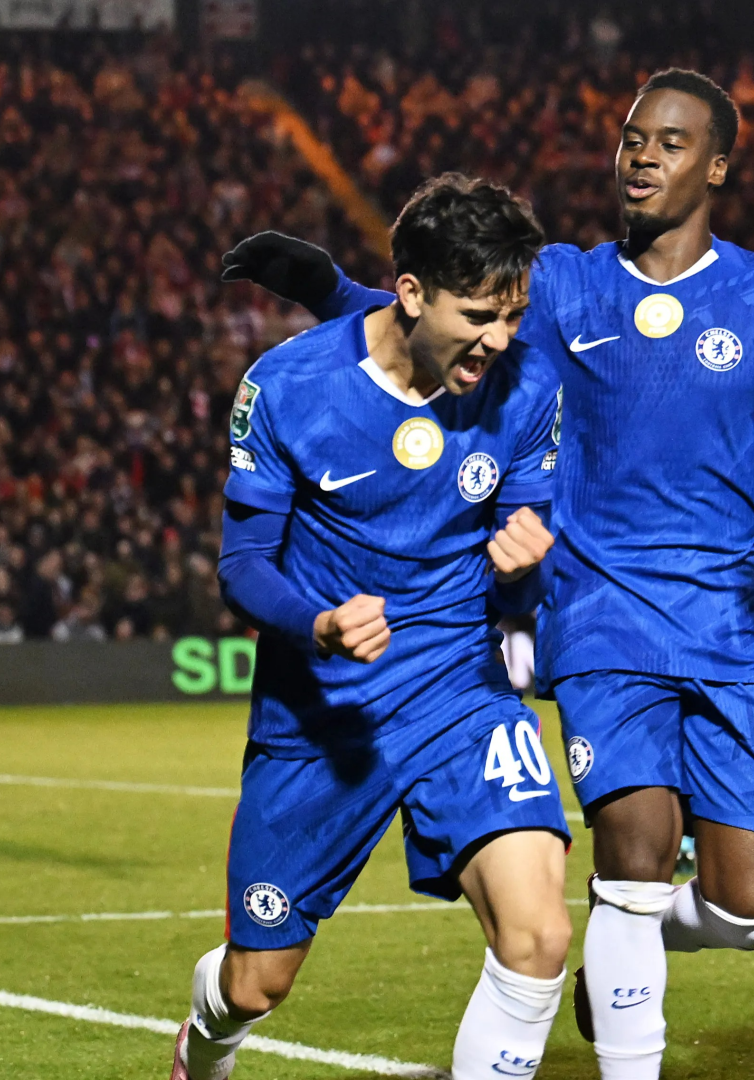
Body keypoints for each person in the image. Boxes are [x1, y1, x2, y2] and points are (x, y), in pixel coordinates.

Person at [228, 69, 754, 1080]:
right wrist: (324, 284)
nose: (642, 155)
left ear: (718, 167)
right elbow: (438, 307)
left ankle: (632, 954)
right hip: (595, 613)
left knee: (751, 907)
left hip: (730, 624)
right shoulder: (562, 283)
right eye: (632, 137)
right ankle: (624, 997)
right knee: (630, 857)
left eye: (670, 142)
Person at [176, 174, 572, 1080]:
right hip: (323, 715)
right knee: (255, 986)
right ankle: (206, 1040)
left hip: (458, 692)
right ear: (412, 293)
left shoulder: (525, 386)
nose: (499, 338)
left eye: (512, 315)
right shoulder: (289, 386)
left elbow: (526, 570)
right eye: (479, 315)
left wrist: (527, 566)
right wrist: (317, 624)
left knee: (539, 935)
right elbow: (243, 566)